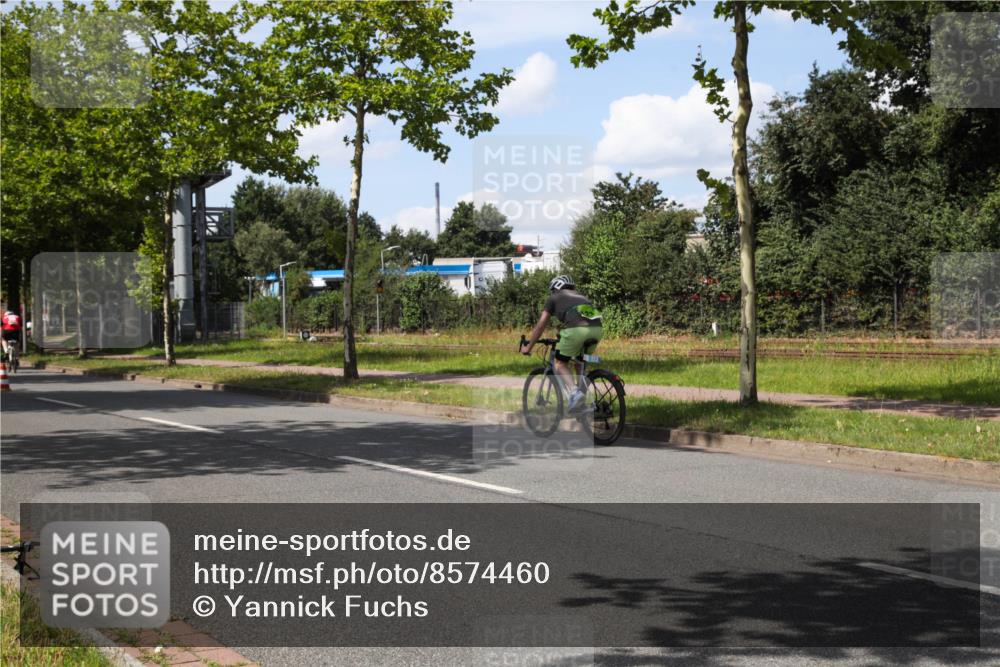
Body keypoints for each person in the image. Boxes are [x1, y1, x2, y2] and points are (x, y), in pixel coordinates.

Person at [520, 275, 603, 411]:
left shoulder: (554, 297)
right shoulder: (582, 297)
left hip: (577, 331)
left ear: (555, 288)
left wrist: (529, 347)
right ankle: (580, 400)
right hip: (598, 330)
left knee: (559, 364)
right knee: (579, 360)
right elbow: (578, 317)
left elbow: (541, 325)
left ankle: (575, 393)